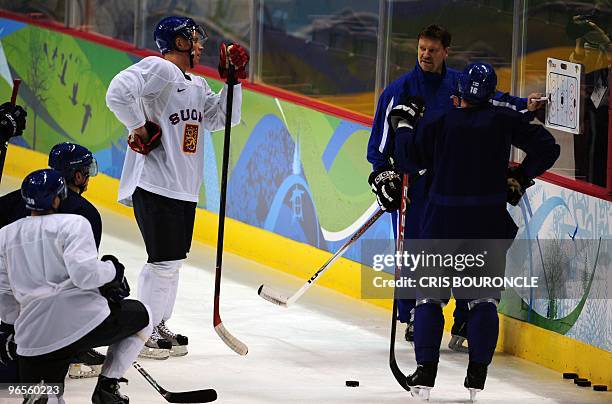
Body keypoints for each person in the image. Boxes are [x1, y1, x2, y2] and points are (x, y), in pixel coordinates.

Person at [367, 24, 546, 350]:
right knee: (414, 254)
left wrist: (525, 105)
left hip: (453, 181)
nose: (425, 54)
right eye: (421, 48)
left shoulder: (458, 85)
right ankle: (412, 317)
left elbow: (494, 101)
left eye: (432, 50)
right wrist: (382, 175)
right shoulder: (398, 90)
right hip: (414, 188)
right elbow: (379, 146)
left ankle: (464, 318)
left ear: (445, 52)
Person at [387, 62, 559, 400]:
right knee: (482, 302)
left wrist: (404, 125)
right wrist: (520, 177)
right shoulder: (505, 119)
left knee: (429, 300)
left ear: (460, 92)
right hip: (487, 224)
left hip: (442, 224)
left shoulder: (440, 121)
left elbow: (408, 161)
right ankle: (476, 378)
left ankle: (425, 374)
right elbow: (548, 148)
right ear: (490, 94)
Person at [106, 15, 249, 359]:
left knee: (170, 262)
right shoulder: (160, 69)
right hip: (156, 184)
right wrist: (139, 127)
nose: (199, 44)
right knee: (162, 261)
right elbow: (117, 92)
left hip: (182, 188)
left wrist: (233, 83)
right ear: (179, 42)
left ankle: (157, 323)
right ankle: (142, 330)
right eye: (193, 38)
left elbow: (222, 119)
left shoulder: (195, 85)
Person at [0, 169, 152, 403]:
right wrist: (112, 270)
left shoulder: (5, 235)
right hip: (81, 326)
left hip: (34, 337)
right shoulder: (73, 223)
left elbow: (4, 291)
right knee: (144, 315)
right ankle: (107, 388)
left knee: (46, 396)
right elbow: (85, 275)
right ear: (56, 198)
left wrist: (13, 330)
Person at [0, 142, 106, 379]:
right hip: (55, 315)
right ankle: (75, 351)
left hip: (14, 306)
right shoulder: (86, 214)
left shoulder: (18, 198)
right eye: (86, 171)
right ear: (78, 175)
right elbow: (83, 276)